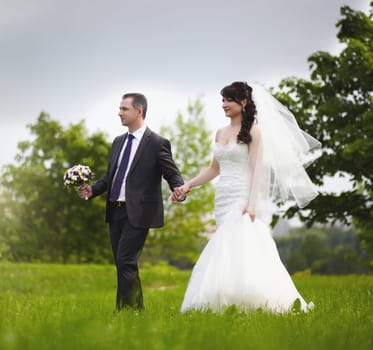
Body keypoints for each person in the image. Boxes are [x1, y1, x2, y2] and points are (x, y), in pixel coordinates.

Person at [173, 82, 319, 313]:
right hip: (222, 196)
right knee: (228, 246)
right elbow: (214, 169)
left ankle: (256, 299)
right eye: (222, 100)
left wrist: (251, 205)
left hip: (242, 196)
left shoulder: (254, 132)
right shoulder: (220, 132)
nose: (224, 105)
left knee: (237, 243)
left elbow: (256, 171)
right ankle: (228, 300)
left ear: (243, 102)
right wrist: (188, 184)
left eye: (229, 100)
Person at [78, 93, 185, 311]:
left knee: (126, 261)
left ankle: (123, 312)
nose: (119, 113)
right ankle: (136, 311)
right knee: (123, 264)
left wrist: (179, 189)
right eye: (120, 108)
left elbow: (171, 173)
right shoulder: (118, 142)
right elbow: (110, 176)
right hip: (114, 211)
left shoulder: (157, 143)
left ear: (139, 111)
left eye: (124, 109)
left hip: (139, 213)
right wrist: (92, 190)